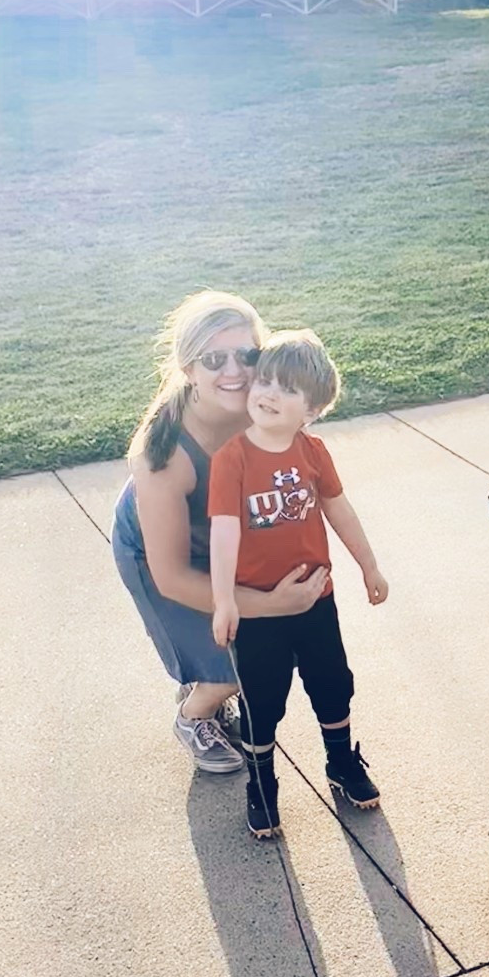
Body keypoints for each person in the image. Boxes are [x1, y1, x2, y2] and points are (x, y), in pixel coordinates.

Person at [113, 292, 333, 773]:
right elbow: (171, 578)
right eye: (214, 359)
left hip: (223, 534)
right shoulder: (162, 453)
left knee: (270, 648)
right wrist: (272, 604)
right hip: (159, 553)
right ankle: (194, 714)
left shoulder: (259, 404)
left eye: (247, 355)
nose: (234, 371)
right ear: (188, 368)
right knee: (243, 662)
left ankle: (210, 679)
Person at [209, 330, 388, 838]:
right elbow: (223, 532)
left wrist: (368, 566)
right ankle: (262, 782)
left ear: (311, 408)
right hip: (259, 614)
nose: (268, 393)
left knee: (333, 686)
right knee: (263, 702)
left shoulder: (312, 451)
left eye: (286, 389)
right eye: (263, 380)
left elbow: (338, 509)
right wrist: (225, 601)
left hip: (316, 602)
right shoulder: (233, 459)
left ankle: (341, 761)